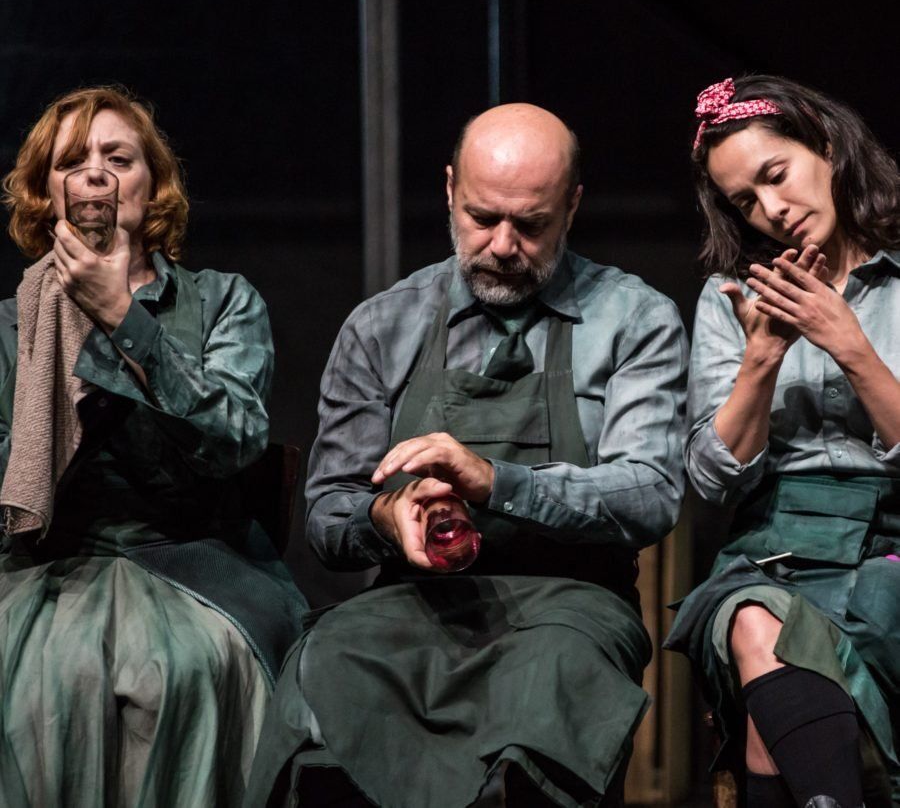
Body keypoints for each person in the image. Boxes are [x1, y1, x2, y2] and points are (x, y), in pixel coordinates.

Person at [246, 103, 688, 807]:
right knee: (323, 670)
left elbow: (649, 494)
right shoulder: (382, 326)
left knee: (543, 711)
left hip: (571, 606)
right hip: (414, 602)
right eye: (483, 218)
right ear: (450, 189)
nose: (503, 245)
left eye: (531, 224)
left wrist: (495, 481)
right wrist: (387, 517)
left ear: (572, 206)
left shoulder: (633, 319)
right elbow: (330, 513)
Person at [0, 86, 307, 807]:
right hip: (47, 564)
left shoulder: (222, 301)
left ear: (153, 184)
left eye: (118, 158)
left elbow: (236, 437)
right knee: (46, 677)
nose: (95, 175)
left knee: (186, 668)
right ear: (47, 191)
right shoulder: (12, 323)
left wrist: (121, 317)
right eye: (72, 162)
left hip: (195, 559)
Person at [664, 76, 900, 808]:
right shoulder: (731, 298)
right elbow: (711, 480)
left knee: (773, 715)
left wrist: (850, 346)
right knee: (753, 617)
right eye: (745, 201)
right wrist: (762, 358)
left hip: (889, 544)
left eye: (777, 174)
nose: (772, 209)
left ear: (825, 146)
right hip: (779, 547)